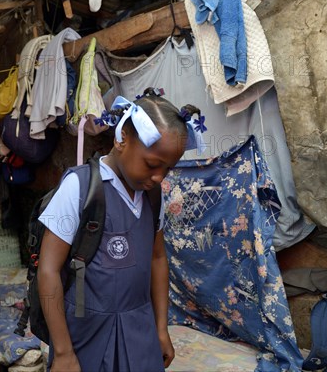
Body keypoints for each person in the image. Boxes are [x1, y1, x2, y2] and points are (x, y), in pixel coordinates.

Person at [37, 88, 203, 372]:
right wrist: (64, 353)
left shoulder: (152, 197)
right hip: (85, 333)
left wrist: (161, 329)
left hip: (140, 331)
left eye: (168, 169)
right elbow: (48, 270)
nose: (158, 177)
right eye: (152, 165)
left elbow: (157, 258)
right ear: (121, 139)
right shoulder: (79, 189)